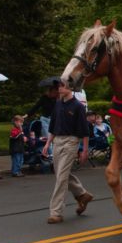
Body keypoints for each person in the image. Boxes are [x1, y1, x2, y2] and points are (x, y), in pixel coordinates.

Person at [43, 81, 94, 224]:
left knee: (61, 179)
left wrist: (84, 150)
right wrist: (48, 143)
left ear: (70, 88)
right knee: (61, 174)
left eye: (62, 86)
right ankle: (82, 194)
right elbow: (53, 126)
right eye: (58, 86)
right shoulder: (58, 104)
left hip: (71, 141)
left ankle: (56, 212)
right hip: (57, 141)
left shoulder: (77, 106)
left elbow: (85, 131)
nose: (59, 88)